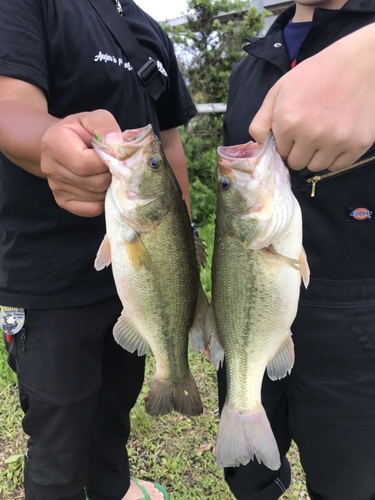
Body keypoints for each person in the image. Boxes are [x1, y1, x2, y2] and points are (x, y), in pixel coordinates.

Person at [0, 1, 197, 499]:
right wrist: (50, 139)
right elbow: (9, 103)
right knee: (59, 441)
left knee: (113, 419)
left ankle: (115, 487)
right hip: (48, 278)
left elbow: (168, 145)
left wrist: (185, 238)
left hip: (135, 283)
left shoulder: (149, 30)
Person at [218, 1, 375, 499]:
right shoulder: (250, 65)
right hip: (252, 303)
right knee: (249, 479)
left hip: (355, 317)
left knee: (349, 480)